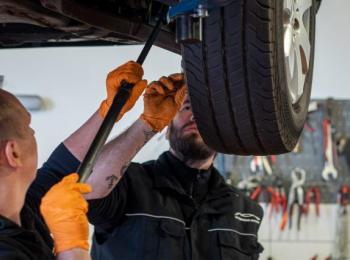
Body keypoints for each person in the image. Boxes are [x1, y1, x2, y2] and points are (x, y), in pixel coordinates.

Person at [34, 62, 264, 259]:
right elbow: (86, 190)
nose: (195, 115)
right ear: (166, 127)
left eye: (205, 112)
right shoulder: (128, 183)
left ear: (221, 130)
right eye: (185, 107)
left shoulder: (246, 210)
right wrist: (147, 123)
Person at [0, 90, 92, 259]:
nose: (33, 132)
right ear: (13, 153)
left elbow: (58, 171)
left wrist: (109, 109)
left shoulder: (19, 207)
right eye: (28, 127)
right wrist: (72, 248)